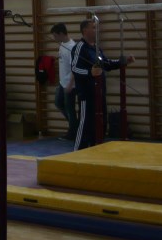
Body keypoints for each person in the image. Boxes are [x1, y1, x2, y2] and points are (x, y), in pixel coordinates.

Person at [71, 19, 135, 151]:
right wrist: (90, 72)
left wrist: (123, 62)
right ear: (85, 30)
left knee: (101, 125)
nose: (96, 30)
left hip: (99, 94)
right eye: (93, 28)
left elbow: (106, 63)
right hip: (87, 95)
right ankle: (76, 153)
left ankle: (95, 151)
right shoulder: (79, 47)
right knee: (85, 125)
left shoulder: (96, 48)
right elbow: (75, 68)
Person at [51, 23, 77, 142]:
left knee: (69, 108)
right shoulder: (62, 45)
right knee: (58, 103)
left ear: (61, 34)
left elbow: (74, 68)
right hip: (62, 82)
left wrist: (70, 84)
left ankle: (73, 132)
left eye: (55, 36)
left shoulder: (72, 47)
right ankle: (75, 125)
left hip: (69, 83)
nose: (54, 38)